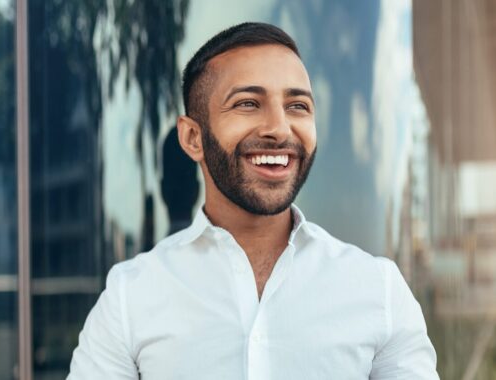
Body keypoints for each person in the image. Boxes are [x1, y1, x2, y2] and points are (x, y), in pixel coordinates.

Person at [68, 22, 439, 379]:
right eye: (248, 104)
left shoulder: (379, 290)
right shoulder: (130, 297)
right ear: (193, 138)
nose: (279, 129)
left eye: (298, 106)